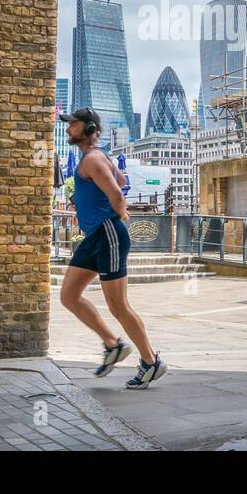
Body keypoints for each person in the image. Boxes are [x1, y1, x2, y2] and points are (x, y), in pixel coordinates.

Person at [56, 107, 168, 389]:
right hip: (94, 236)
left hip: (108, 235)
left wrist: (118, 212)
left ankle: (151, 361)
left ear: (89, 128)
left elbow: (118, 192)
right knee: (69, 296)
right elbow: (120, 179)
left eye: (73, 124)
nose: (68, 128)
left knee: (118, 306)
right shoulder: (97, 156)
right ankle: (112, 344)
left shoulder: (93, 159)